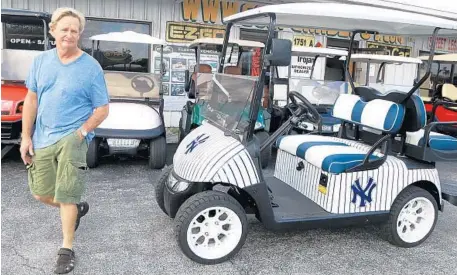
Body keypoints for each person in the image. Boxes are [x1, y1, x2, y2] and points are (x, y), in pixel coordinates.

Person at [20, 7, 110, 274]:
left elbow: (103, 108)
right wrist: (26, 136)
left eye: (74, 30)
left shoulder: (91, 67)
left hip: (73, 138)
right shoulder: (41, 62)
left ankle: (66, 248)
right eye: (64, 29)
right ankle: (75, 209)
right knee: (40, 192)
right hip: (43, 136)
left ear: (79, 34)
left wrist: (81, 133)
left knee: (67, 194)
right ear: (53, 31)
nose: (69, 34)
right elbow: (31, 100)